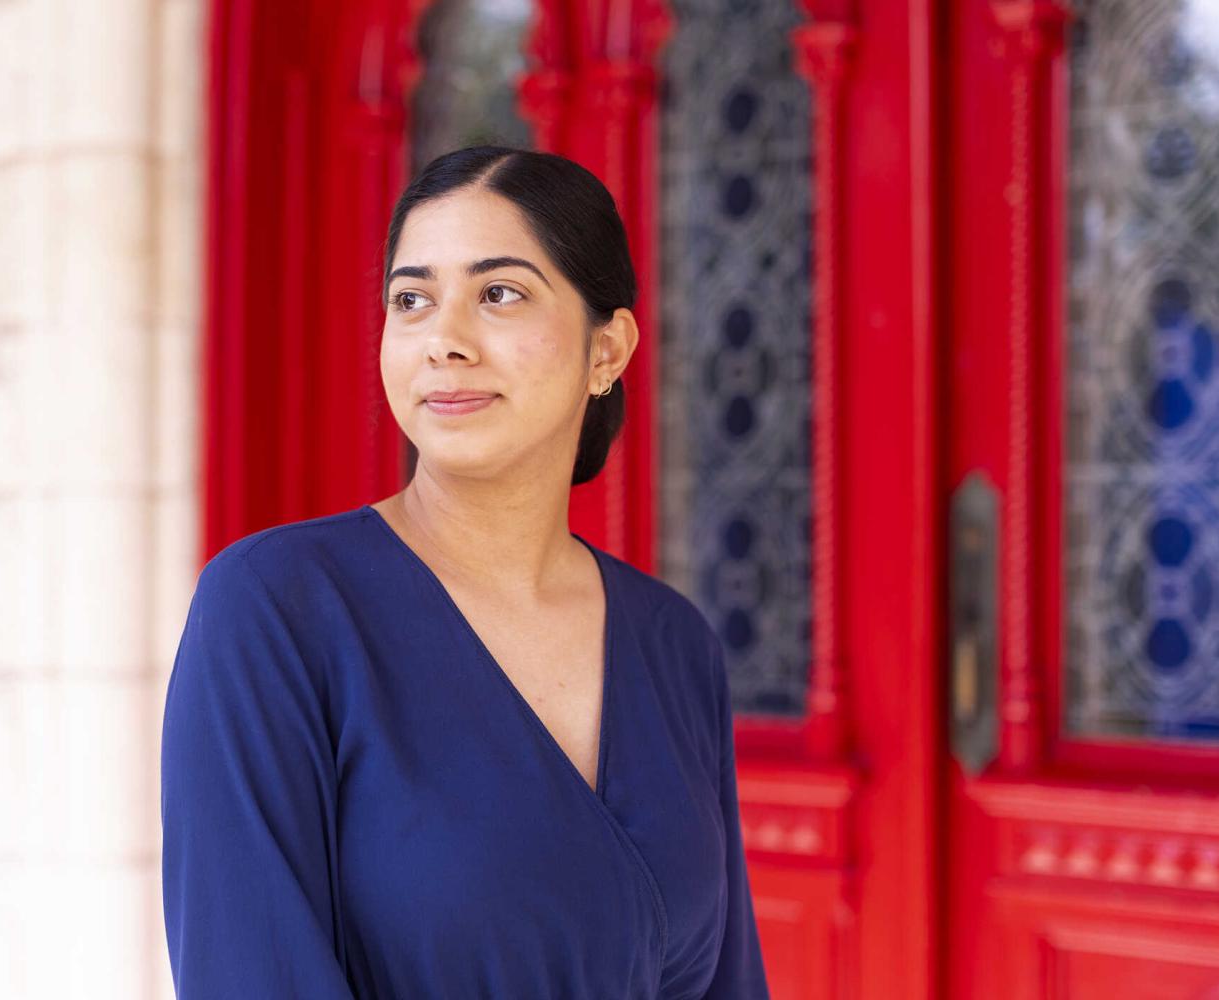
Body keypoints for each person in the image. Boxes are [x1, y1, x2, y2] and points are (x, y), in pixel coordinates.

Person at [160, 144, 770, 999]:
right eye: (412, 300)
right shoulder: (275, 610)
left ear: (608, 348)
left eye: (499, 293)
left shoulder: (675, 645)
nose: (443, 340)